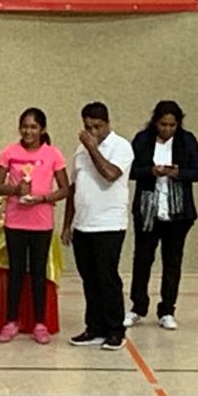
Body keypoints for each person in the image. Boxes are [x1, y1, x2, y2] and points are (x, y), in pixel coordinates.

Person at [0, 108, 70, 345]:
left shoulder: (53, 154)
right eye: (24, 126)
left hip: (41, 223)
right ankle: (11, 321)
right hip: (15, 221)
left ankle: (39, 323)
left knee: (38, 273)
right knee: (16, 272)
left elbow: (65, 189)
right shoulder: (10, 152)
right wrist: (15, 190)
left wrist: (44, 198)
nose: (28, 131)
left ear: (42, 129)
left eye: (33, 127)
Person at [61, 102, 134, 351]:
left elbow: (110, 174)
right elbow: (74, 189)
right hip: (83, 224)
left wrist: (93, 148)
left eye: (97, 126)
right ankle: (94, 327)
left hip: (109, 224)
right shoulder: (80, 151)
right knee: (89, 279)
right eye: (87, 126)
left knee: (107, 278)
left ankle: (115, 330)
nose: (92, 132)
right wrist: (67, 224)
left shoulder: (121, 147)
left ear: (107, 123)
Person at [125, 100, 198, 331]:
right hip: (148, 209)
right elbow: (130, 170)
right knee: (142, 259)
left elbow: (197, 172)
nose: (167, 129)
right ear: (155, 122)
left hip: (178, 213)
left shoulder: (187, 141)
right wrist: (151, 171)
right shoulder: (142, 139)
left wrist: (177, 173)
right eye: (163, 124)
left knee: (172, 261)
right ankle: (138, 306)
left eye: (172, 125)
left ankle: (167, 309)